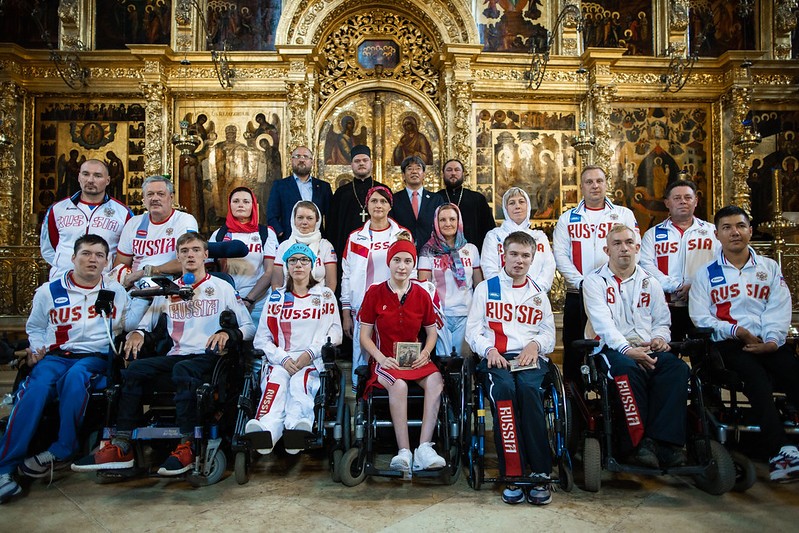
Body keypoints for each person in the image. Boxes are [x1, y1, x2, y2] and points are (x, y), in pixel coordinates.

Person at [72, 233, 255, 476]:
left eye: (196, 250)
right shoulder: (169, 290)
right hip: (177, 355)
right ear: (178, 256)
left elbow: (249, 327)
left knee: (182, 369)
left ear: (205, 255)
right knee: (135, 370)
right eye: (185, 251)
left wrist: (228, 334)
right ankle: (122, 444)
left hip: (209, 357)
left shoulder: (222, 287)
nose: (190, 255)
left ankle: (187, 443)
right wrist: (137, 333)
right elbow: (145, 325)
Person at [0, 235, 131, 503]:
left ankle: (63, 448)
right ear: (73, 258)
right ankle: (5, 468)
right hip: (56, 355)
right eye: (86, 254)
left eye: (99, 255)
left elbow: (126, 325)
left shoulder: (115, 291)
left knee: (76, 377)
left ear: (106, 262)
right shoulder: (49, 291)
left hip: (96, 357)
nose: (92, 260)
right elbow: (36, 327)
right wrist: (37, 349)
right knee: (34, 391)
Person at [689, 205, 799, 483]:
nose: (734, 232)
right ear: (717, 235)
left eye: (740, 226)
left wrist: (772, 341)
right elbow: (700, 317)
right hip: (729, 345)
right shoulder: (705, 274)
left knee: (793, 372)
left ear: (750, 230)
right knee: (755, 378)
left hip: (768, 341)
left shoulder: (769, 268)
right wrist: (736, 331)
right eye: (726, 228)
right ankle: (780, 452)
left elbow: (779, 307)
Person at [583, 224, 689, 468]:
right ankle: (635, 444)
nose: (624, 248)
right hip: (610, 349)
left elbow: (662, 321)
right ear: (607, 250)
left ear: (637, 247)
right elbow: (603, 325)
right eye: (617, 243)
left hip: (646, 347)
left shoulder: (650, 282)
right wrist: (627, 350)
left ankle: (665, 443)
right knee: (626, 370)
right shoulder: (594, 281)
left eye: (629, 242)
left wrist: (660, 338)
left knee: (676, 369)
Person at [465, 231, 556, 506]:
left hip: (529, 359)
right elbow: (473, 330)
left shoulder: (538, 294)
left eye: (525, 256)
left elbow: (549, 334)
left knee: (529, 390)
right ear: (503, 255)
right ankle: (513, 473)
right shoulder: (486, 289)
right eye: (514, 254)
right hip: (496, 358)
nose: (519, 260)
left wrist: (535, 345)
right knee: (504, 390)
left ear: (532, 259)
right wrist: (489, 350)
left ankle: (540, 471)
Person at [358, 234, 446, 472]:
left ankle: (424, 447)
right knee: (399, 386)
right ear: (389, 262)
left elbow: (432, 332)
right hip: (385, 360)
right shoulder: (375, 293)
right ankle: (404, 451)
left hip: (415, 360)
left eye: (408, 261)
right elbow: (364, 336)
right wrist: (380, 358)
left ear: (413, 264)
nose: (402, 266)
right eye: (397, 260)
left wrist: (426, 352)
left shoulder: (422, 294)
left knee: (436, 380)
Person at [245, 243, 342, 454]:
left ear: (312, 265)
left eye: (304, 260)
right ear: (287, 266)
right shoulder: (276, 298)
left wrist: (310, 353)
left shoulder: (325, 295)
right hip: (281, 360)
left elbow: (336, 332)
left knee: (300, 385)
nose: (298, 265)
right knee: (276, 384)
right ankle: (266, 431)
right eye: (293, 260)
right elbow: (261, 339)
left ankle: (297, 427)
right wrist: (282, 358)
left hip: (311, 361)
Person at [553, 165, 639, 384]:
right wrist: (583, 283)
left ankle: (615, 390)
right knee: (575, 348)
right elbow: (561, 255)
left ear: (606, 184)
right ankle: (574, 395)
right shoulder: (567, 218)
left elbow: (634, 249)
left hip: (615, 292)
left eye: (599, 181)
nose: (595, 186)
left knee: (614, 343)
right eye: (589, 182)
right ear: (581, 186)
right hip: (578, 294)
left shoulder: (623, 215)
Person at [341, 186, 408, 390]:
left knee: (390, 353)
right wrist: (346, 311)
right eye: (374, 201)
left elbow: (410, 271)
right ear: (367, 205)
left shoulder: (402, 235)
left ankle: (393, 393)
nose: (378, 205)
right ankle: (360, 393)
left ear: (390, 206)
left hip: (393, 305)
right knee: (362, 354)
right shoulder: (355, 237)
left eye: (383, 201)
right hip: (362, 306)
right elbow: (347, 274)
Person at [640, 179, 719, 341]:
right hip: (664, 307)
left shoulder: (712, 232)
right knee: (666, 350)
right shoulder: (652, 234)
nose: (683, 201)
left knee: (704, 352)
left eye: (688, 197)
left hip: (704, 306)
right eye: (677, 198)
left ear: (696, 201)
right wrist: (675, 286)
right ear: (667, 203)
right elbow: (646, 267)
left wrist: (695, 286)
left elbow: (720, 265)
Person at [40, 159, 132, 280]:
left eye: (97, 176)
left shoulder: (123, 213)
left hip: (104, 282)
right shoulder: (57, 209)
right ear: (79, 177)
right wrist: (65, 265)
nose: (90, 180)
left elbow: (128, 250)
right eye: (85, 174)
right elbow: (48, 247)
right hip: (62, 280)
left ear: (108, 180)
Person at [418, 204, 483, 356]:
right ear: (436, 222)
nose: (448, 223)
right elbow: (424, 288)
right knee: (444, 361)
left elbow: (479, 286)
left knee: (464, 361)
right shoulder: (427, 251)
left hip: (467, 314)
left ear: (459, 222)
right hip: (440, 316)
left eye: (452, 219)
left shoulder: (471, 249)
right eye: (443, 220)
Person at [112, 175, 199, 288]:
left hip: (171, 286)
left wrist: (148, 271)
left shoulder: (185, 220)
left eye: (160, 194)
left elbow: (188, 260)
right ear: (144, 199)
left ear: (171, 197)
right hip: (136, 288)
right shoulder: (133, 223)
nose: (155, 198)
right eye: (150, 194)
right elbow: (120, 263)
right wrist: (126, 280)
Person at [210, 187, 278, 323]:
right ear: (229, 205)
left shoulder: (265, 233)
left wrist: (249, 299)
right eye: (236, 201)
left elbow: (270, 272)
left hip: (257, 303)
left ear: (253, 206)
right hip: (226, 302)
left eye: (246, 202)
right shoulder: (219, 234)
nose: (241, 205)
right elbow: (210, 271)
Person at [481, 187, 555, 291]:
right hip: (503, 295)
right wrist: (506, 291)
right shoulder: (494, 236)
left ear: (528, 206)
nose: (517, 206)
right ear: (505, 208)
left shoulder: (539, 237)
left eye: (521, 202)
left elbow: (548, 267)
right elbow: (489, 268)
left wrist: (534, 291)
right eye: (512, 203)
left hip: (534, 295)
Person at [326, 145, 388, 259]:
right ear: (351, 165)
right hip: (347, 250)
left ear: (371, 163)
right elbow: (332, 227)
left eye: (365, 160)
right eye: (357, 161)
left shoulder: (383, 190)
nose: (361, 163)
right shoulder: (341, 193)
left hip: (378, 248)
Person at [266, 146, 333, 242]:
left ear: (312, 162)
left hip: (317, 241)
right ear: (291, 160)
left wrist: (327, 238)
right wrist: (280, 233)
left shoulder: (323, 187)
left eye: (305, 157)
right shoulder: (280, 186)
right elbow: (272, 214)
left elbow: (331, 217)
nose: (301, 160)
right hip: (289, 240)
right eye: (297, 156)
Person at [272, 200, 337, 291]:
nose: (304, 222)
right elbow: (276, 282)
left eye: (309, 218)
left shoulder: (325, 246)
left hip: (318, 298)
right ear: (294, 220)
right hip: (288, 297)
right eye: (300, 218)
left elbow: (331, 282)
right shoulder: (284, 246)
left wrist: (325, 299)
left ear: (317, 220)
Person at [436, 158, 496, 251]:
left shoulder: (477, 198)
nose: (453, 173)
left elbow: (489, 230)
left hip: (473, 251)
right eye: (449, 170)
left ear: (463, 174)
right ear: (443, 174)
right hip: (441, 251)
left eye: (457, 170)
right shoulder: (435, 198)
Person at [389, 155, 444, 251]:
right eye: (409, 169)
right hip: (402, 250)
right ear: (403, 175)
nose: (414, 172)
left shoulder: (436, 199)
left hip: (431, 251)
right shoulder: (394, 199)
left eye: (418, 168)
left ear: (424, 174)